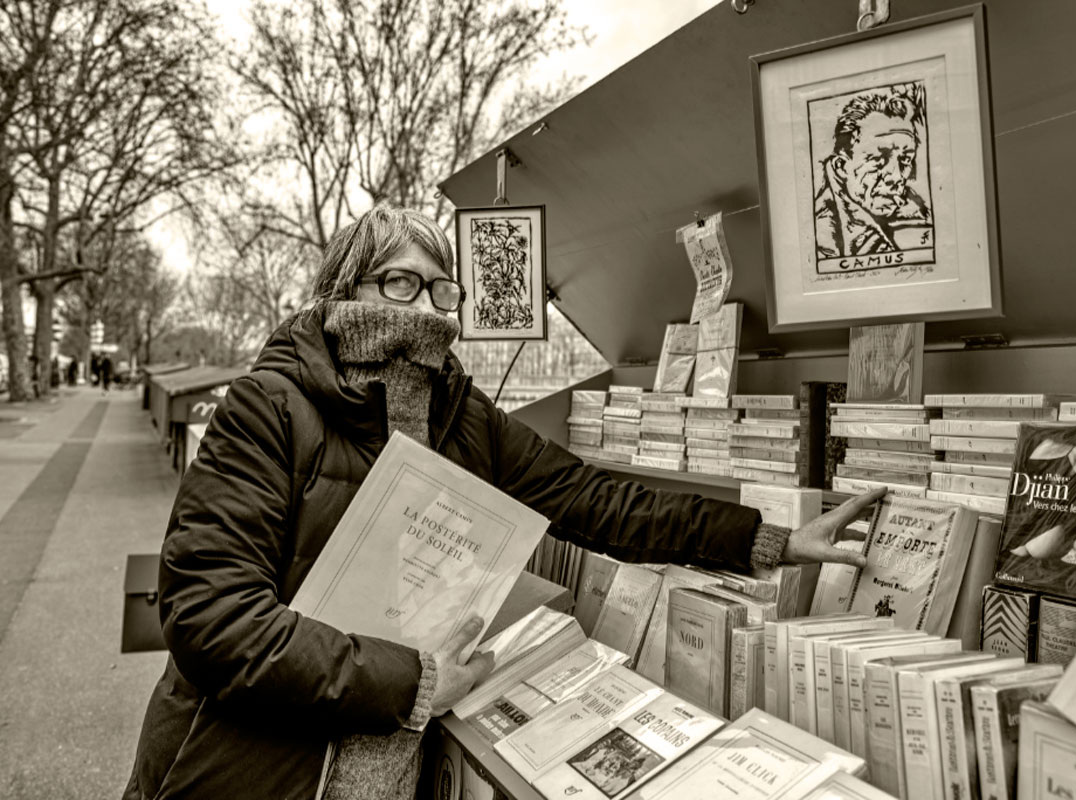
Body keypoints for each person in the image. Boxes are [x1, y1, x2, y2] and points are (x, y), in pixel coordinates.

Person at [123, 203, 881, 800]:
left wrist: (769, 537)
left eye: (438, 286)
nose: (424, 306)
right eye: (398, 281)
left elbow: (594, 500)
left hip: (390, 769)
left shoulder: (461, 413)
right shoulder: (269, 407)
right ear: (341, 290)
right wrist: (412, 682)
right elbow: (212, 619)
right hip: (248, 773)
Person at [814, 85, 933, 261]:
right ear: (840, 167)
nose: (896, 177)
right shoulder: (822, 241)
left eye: (905, 160)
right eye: (879, 159)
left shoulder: (918, 216)